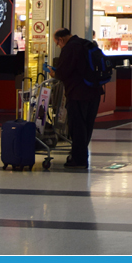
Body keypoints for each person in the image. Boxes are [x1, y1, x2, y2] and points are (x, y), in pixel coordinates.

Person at [51, 28, 102, 169]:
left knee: (77, 127)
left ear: (61, 39)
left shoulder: (69, 48)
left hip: (78, 94)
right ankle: (80, 156)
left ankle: (79, 160)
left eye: (57, 43)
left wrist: (54, 74)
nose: (58, 46)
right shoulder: (87, 44)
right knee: (87, 126)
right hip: (95, 92)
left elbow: (62, 73)